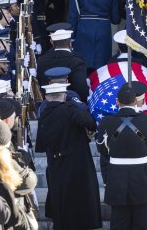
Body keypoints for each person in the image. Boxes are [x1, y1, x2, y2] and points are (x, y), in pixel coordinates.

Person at [96, 83, 147, 229]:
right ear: (136, 101)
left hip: (116, 181)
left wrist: (107, 182)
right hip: (145, 182)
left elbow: (103, 155)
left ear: (117, 102)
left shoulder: (105, 123)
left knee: (119, 224)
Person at [36, 83, 101, 229]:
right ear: (65, 96)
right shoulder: (70, 109)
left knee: (60, 197)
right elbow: (90, 122)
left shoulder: (44, 114)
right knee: (79, 197)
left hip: (55, 162)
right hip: (76, 162)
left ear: (47, 97)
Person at [68, 0, 121, 71]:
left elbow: (73, 16)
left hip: (83, 31)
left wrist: (70, 38)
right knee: (101, 69)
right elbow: (115, 19)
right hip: (103, 31)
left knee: (82, 66)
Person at [37, 28, 89, 102]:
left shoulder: (41, 60)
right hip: (72, 106)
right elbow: (81, 88)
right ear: (70, 43)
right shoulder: (77, 62)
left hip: (47, 104)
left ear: (52, 43)